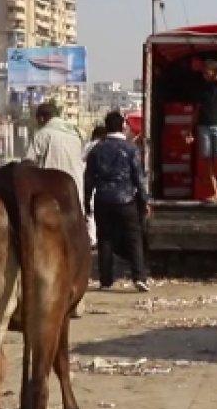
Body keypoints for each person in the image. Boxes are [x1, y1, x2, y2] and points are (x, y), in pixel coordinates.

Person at [85, 111, 151, 292]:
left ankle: (106, 281)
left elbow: (88, 178)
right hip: (126, 200)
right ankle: (139, 277)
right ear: (123, 126)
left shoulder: (96, 150)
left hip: (102, 200)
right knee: (134, 238)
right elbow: (139, 177)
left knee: (105, 239)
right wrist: (145, 201)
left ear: (106, 127)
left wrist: (86, 202)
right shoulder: (131, 149)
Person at [187, 48, 217, 202]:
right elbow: (196, 110)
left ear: (214, 72)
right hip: (203, 127)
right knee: (207, 160)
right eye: (203, 72)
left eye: (207, 72)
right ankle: (215, 193)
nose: (204, 74)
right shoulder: (201, 88)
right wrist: (190, 130)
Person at [25, 102, 85, 203]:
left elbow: (28, 163)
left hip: (51, 193)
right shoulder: (76, 134)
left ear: (41, 118)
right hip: (77, 192)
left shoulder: (42, 134)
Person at [81, 125, 107, 247]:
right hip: (103, 183)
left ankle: (92, 239)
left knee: (90, 212)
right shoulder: (106, 146)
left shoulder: (89, 146)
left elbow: (82, 161)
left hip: (90, 180)